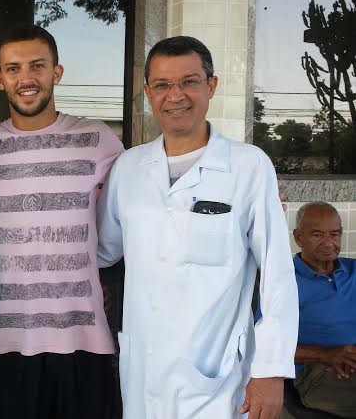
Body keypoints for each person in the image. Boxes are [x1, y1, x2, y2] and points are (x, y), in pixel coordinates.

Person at [97, 36, 299, 419]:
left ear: (211, 85)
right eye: (162, 85)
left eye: (189, 81)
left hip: (217, 378)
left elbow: (278, 275)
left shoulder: (248, 167)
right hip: (144, 374)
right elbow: (103, 250)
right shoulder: (128, 168)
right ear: (147, 92)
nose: (175, 95)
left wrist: (271, 370)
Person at [0, 24, 124, 418]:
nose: (25, 78)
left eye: (37, 66)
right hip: (5, 341)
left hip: (84, 338)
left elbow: (139, 203)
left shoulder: (96, 138)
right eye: (13, 69)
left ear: (56, 73)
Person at [290, 202, 356, 417]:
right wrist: (327, 354)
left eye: (334, 234)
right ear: (298, 237)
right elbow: (264, 346)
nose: (329, 243)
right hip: (316, 372)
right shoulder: (284, 281)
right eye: (317, 235)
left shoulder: (352, 270)